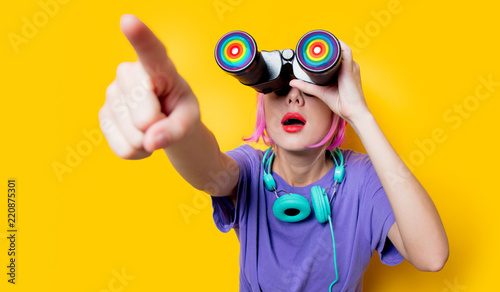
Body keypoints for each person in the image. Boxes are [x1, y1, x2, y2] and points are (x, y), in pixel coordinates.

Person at [99, 14, 449, 291]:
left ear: (335, 106)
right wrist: (181, 129)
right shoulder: (250, 169)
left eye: (310, 90)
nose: (293, 97)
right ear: (262, 106)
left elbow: (431, 257)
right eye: (277, 89)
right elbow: (208, 169)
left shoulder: (362, 180)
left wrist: (360, 115)